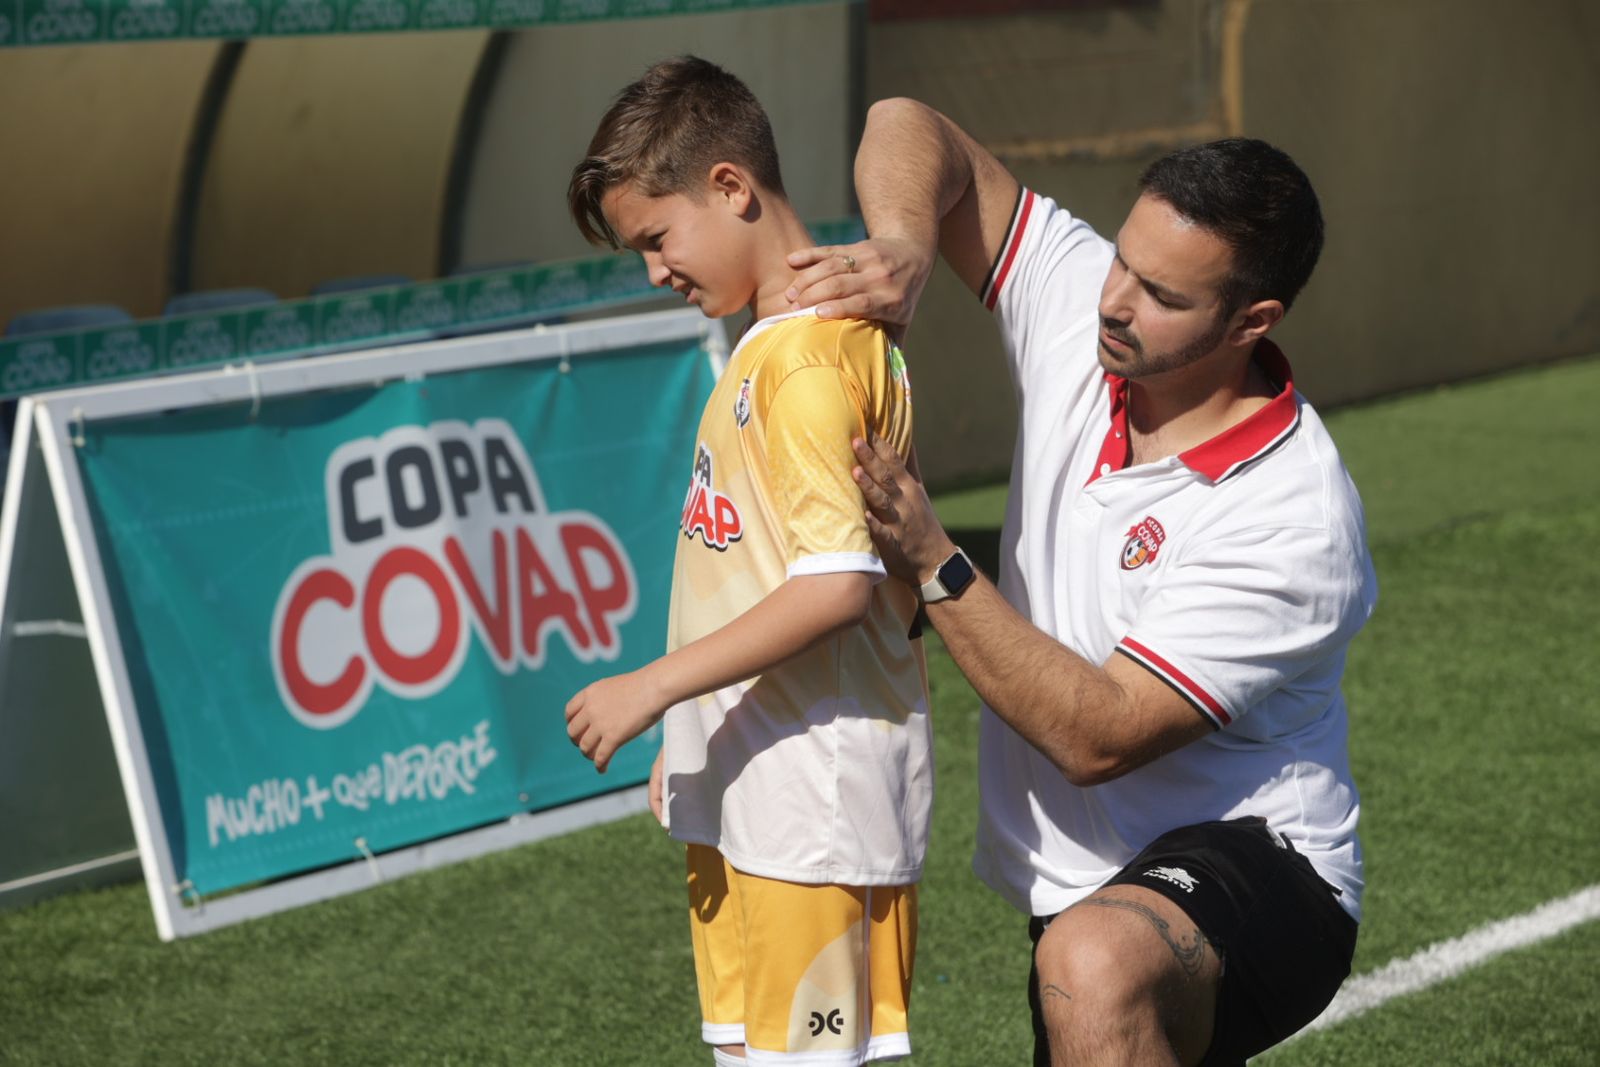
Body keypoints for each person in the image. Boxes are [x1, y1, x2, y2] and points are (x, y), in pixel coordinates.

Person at [785, 98, 1376, 1066]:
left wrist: (934, 557)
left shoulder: (1293, 516)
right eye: (1122, 262)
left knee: (1093, 958)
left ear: (1251, 321)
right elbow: (906, 124)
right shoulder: (1092, 307)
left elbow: (1095, 733)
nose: (1113, 300)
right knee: (1085, 955)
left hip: (1260, 859)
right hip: (1080, 884)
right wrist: (902, 242)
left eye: (1162, 295)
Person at [562, 59, 932, 1067]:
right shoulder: (768, 346)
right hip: (755, 791)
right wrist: (695, 730)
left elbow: (836, 583)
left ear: (731, 187)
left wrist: (653, 687)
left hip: (814, 817)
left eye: (655, 237)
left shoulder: (808, 362)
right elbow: (762, 562)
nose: (653, 270)